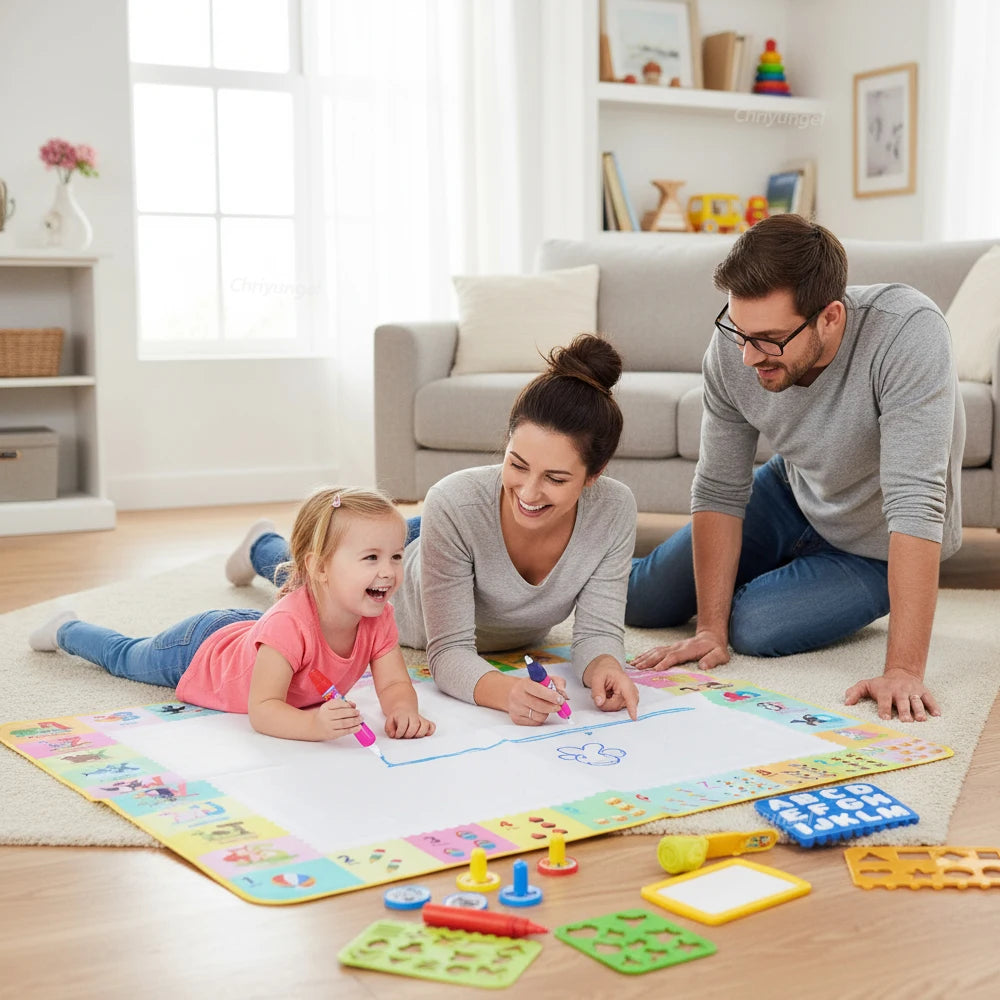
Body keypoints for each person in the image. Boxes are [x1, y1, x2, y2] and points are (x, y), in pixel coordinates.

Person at [627, 214, 965, 724]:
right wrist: (709, 630)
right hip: (793, 492)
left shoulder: (907, 333)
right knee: (641, 601)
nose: (745, 357)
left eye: (767, 339)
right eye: (739, 332)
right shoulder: (735, 346)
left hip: (874, 545)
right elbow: (719, 488)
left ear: (829, 316)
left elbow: (916, 502)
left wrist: (903, 670)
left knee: (757, 628)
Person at [226, 334, 641, 727]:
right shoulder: (458, 500)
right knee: (316, 565)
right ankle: (261, 544)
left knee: (399, 532)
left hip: (455, 532)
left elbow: (598, 632)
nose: (529, 492)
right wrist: (505, 692)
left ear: (594, 475)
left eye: (555, 478)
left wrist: (606, 667)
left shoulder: (614, 509)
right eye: (516, 464)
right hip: (415, 589)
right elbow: (450, 652)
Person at [29, 487, 436, 743]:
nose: (389, 571)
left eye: (397, 556)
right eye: (371, 558)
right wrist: (313, 727)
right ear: (320, 568)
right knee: (126, 657)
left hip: (250, 633)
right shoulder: (290, 625)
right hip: (199, 650)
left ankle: (259, 545)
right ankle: (67, 628)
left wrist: (403, 709)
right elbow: (264, 709)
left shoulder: (377, 615)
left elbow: (396, 681)